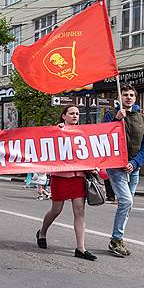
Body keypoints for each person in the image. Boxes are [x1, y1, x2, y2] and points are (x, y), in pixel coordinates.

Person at [35, 105, 97, 261]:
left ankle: (81, 248)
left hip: (78, 176)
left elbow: (90, 151)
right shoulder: (56, 131)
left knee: (79, 211)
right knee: (56, 210)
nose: (75, 116)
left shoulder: (83, 132)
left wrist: (93, 166)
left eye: (77, 113)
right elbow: (45, 143)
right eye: (71, 113)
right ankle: (42, 232)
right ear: (64, 116)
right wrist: (59, 129)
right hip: (60, 176)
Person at [105, 84, 144, 258]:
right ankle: (116, 239)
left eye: (131, 95)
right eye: (125, 94)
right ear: (120, 97)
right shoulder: (111, 114)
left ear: (135, 98)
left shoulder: (143, 118)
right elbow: (104, 137)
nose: (128, 97)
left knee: (128, 204)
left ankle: (117, 238)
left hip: (134, 168)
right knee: (126, 201)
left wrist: (135, 162)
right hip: (116, 167)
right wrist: (116, 120)